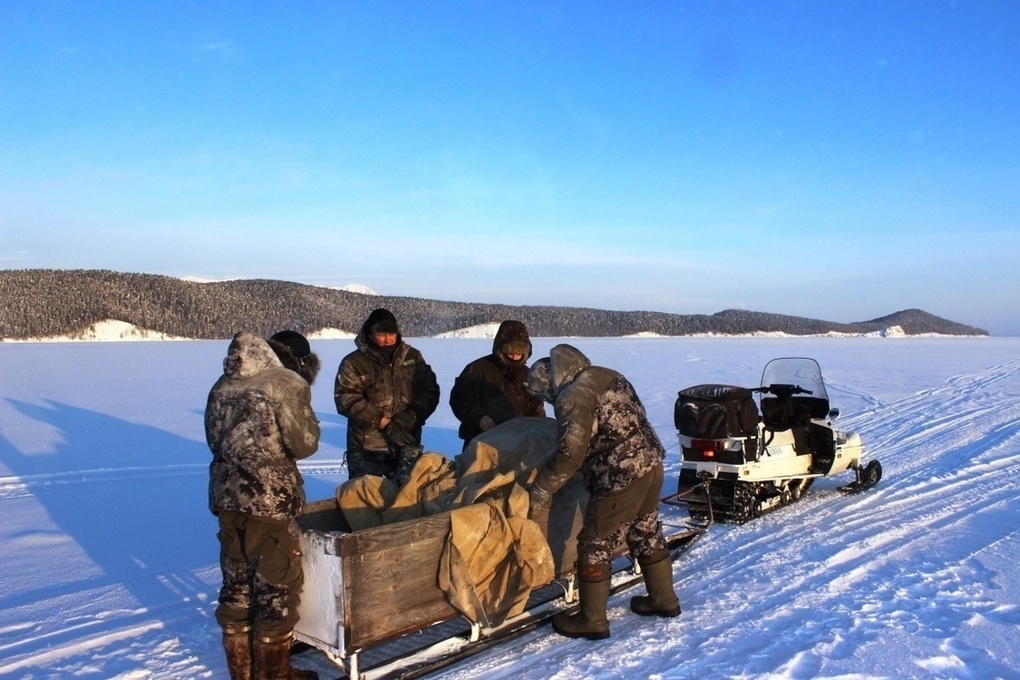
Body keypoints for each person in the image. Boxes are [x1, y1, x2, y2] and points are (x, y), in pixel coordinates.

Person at [527, 343, 680, 640]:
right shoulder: (605, 373)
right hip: (651, 462)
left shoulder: (572, 397)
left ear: (550, 385)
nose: (548, 401)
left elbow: (570, 454)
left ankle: (592, 618)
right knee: (644, 529)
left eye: (545, 396)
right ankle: (664, 599)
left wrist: (542, 489)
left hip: (620, 474)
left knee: (595, 541)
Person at [206, 330, 322, 680]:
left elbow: (214, 440)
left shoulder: (223, 383)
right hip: (268, 499)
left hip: (226, 496)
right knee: (276, 589)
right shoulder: (285, 383)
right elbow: (305, 444)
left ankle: (242, 673)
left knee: (237, 587)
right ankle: (276, 676)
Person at [334, 308, 440, 481]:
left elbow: (430, 390)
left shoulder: (412, 356)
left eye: (392, 334)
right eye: (381, 334)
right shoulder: (354, 362)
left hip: (405, 441)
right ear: (369, 334)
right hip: (367, 447)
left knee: (406, 499)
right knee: (364, 499)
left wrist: (410, 416)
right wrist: (384, 423)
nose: (387, 339)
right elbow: (346, 399)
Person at [449, 319, 546, 450]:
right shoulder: (478, 369)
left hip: (518, 443)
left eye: (519, 352)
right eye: (511, 351)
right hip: (481, 442)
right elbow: (459, 399)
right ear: (500, 347)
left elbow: (536, 410)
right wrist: (479, 417)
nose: (515, 356)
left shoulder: (528, 374)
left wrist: (539, 433)